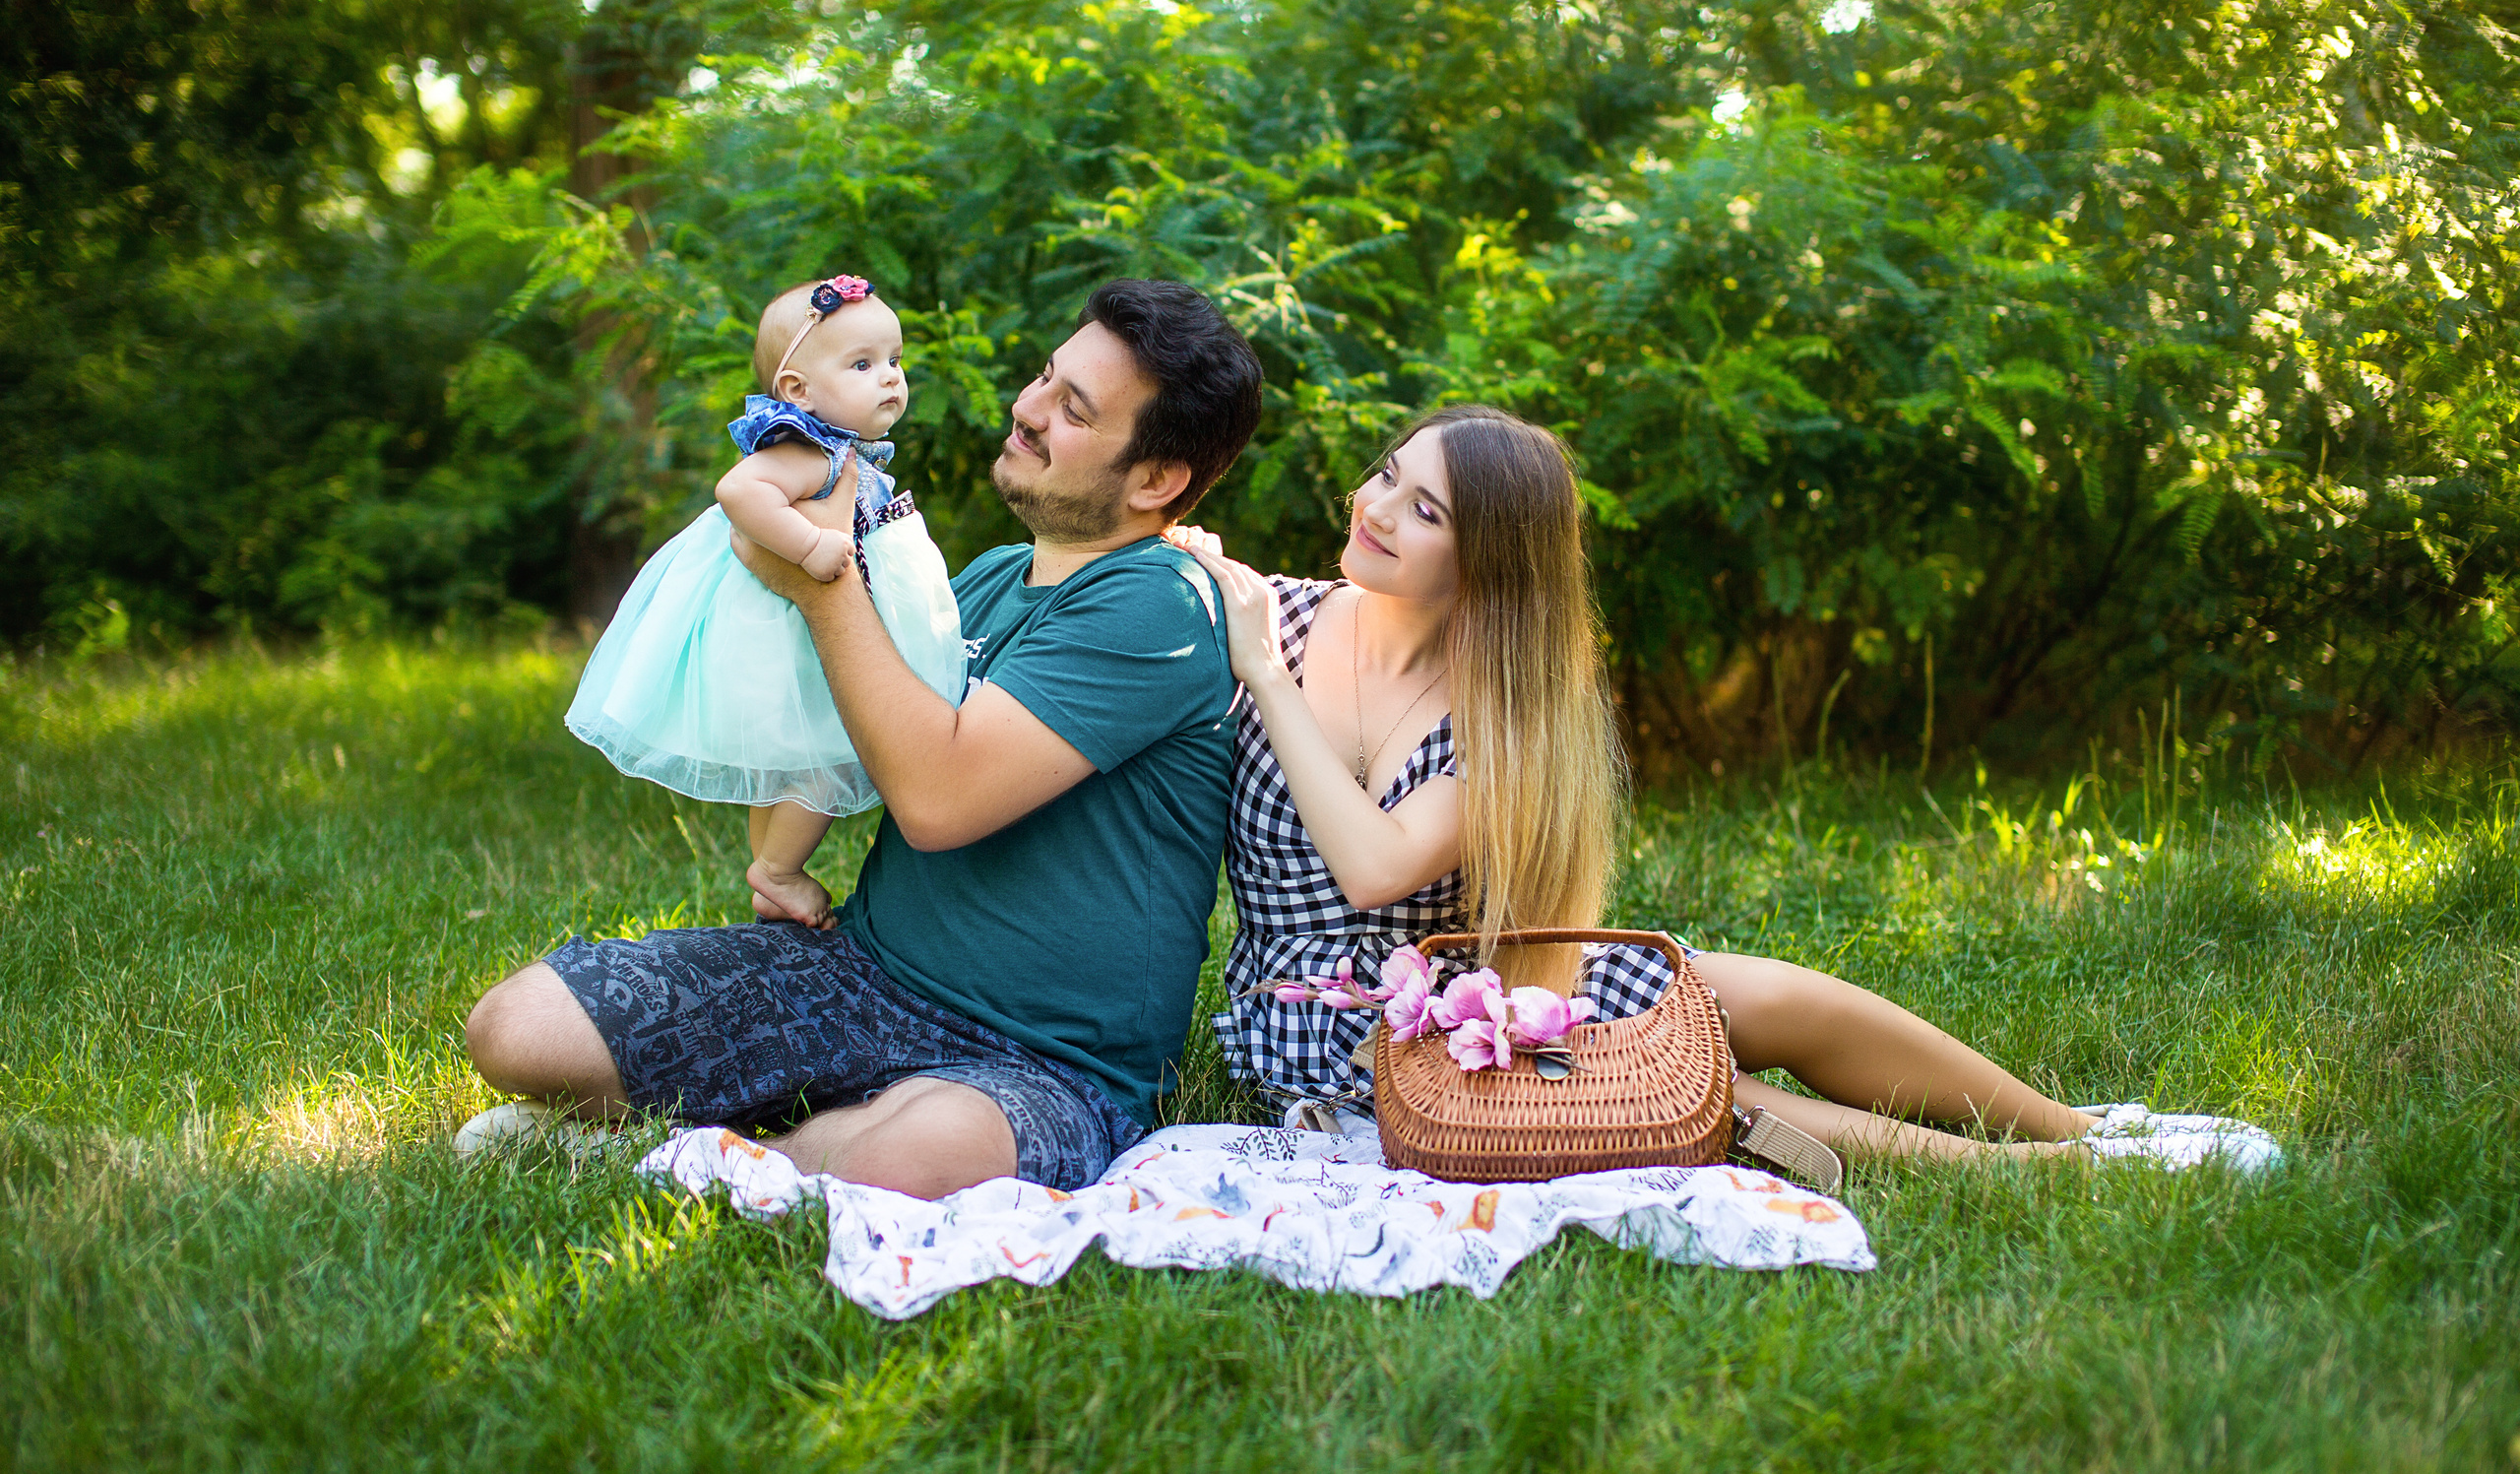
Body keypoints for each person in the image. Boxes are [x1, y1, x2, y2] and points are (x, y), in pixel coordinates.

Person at [1179, 404, 2199, 1170]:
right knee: (1713, 1087)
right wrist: (1238, 634)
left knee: (1769, 996)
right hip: (1332, 1018)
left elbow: (1383, 861)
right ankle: (2024, 1171)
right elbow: (1358, 881)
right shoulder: (1278, 621)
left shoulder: (1502, 709)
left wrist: (1262, 672)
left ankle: (2091, 1129)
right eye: (1386, 476)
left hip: (1481, 977)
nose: (1376, 509)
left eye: (1424, 508)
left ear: (1491, 561)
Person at [462, 279, 1264, 1197]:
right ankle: (794, 1134)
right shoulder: (998, 576)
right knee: (517, 1026)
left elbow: (937, 798)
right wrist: (781, 846)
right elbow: (850, 723)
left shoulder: (1156, 603)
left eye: (1071, 409)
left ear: (1158, 480)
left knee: (909, 1160)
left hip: (1048, 1058)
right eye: (1046, 377)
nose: (1027, 409)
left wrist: (822, 579)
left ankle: (706, 1146)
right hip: (863, 974)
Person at [564, 274, 965, 930]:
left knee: (789, 753)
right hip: (793, 626)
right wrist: (809, 546)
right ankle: (777, 870)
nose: (890, 377)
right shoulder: (812, 453)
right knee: (835, 749)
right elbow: (739, 491)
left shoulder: (838, 451)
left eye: (894, 360)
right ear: (797, 391)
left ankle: (770, 875)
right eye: (863, 364)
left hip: (800, 630)